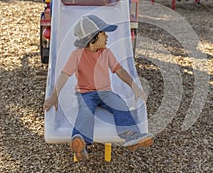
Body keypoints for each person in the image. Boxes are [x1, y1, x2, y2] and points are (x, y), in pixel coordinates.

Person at [43, 15, 154, 161]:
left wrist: (134, 86)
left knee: (120, 105)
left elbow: (120, 70)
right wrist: (54, 96)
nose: (107, 37)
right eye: (103, 33)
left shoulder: (106, 53)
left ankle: (131, 136)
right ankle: (80, 143)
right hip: (86, 93)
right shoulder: (77, 55)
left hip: (106, 92)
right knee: (86, 111)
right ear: (92, 37)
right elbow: (64, 75)